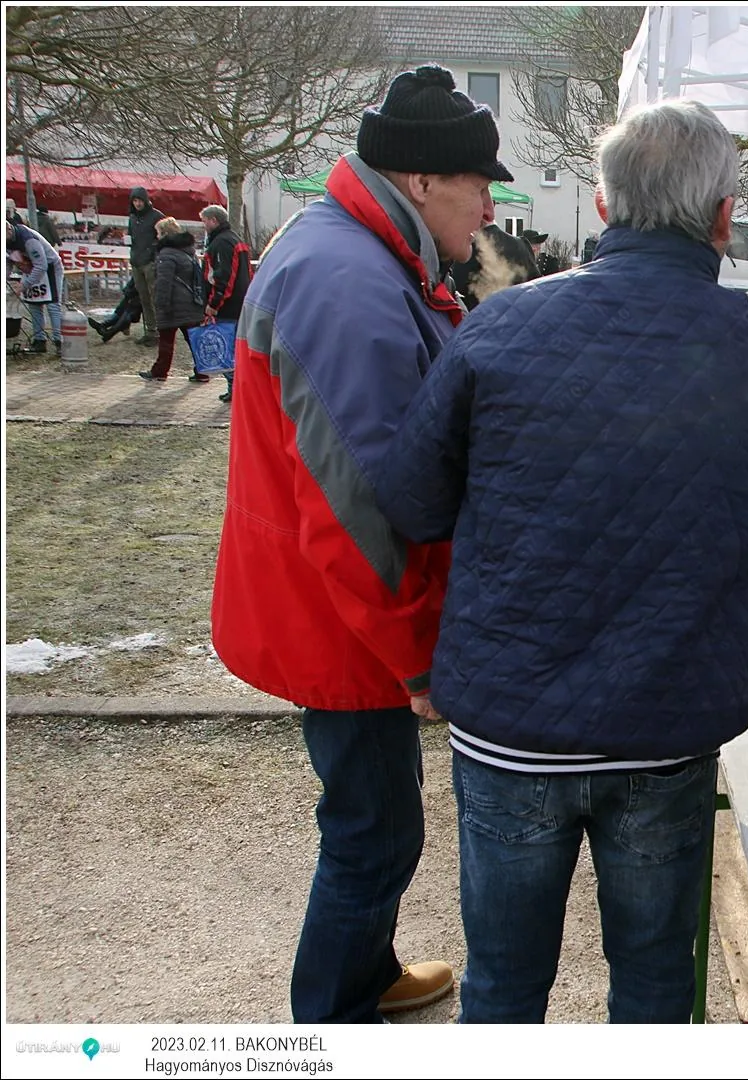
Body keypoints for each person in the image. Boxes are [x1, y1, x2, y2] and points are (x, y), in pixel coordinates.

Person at [374, 98, 748, 1025]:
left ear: (603, 205)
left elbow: (410, 504)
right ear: (724, 219)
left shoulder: (497, 329)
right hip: (666, 728)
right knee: (655, 983)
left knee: (502, 982)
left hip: (511, 722)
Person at [210, 62, 511, 1024]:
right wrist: (416, 654)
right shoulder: (345, 279)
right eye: (479, 181)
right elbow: (358, 510)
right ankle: (331, 1020)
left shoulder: (354, 249)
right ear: (422, 182)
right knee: (372, 832)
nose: (490, 201)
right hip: (341, 614)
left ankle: (366, 972)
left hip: (329, 603)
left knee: (374, 815)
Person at [137, 218, 205, 382]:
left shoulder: (166, 254)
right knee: (194, 341)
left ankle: (160, 371)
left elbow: (163, 282)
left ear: (165, 234)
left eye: (159, 233)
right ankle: (202, 371)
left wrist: (160, 304)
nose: (157, 237)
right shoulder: (189, 252)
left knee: (166, 341)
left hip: (173, 305)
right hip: (191, 304)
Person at [198, 204, 251, 404]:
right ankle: (237, 388)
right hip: (240, 302)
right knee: (234, 349)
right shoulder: (236, 239)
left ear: (213, 220)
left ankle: (235, 388)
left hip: (228, 305)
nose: (203, 226)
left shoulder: (221, 243)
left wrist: (214, 303)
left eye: (205, 221)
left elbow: (224, 277)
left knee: (226, 349)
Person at [6, 217, 65, 354]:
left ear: (9, 230)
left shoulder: (27, 238)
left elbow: (42, 265)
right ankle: (39, 341)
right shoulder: (6, 241)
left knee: (53, 305)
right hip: (30, 267)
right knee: (34, 304)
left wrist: (24, 285)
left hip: (49, 267)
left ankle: (59, 342)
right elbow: (8, 262)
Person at [127, 186, 166, 346]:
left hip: (150, 262)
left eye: (139, 200)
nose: (137, 204)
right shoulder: (133, 218)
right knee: (144, 298)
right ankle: (150, 330)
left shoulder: (157, 216)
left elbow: (165, 236)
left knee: (154, 298)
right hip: (137, 261)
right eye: (135, 201)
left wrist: (155, 255)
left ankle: (160, 331)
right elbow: (132, 238)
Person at [87, 277, 143, 342]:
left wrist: (131, 293)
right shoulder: (137, 274)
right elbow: (128, 287)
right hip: (132, 300)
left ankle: (107, 331)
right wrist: (129, 292)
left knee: (131, 308)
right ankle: (104, 327)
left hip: (142, 302)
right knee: (125, 306)